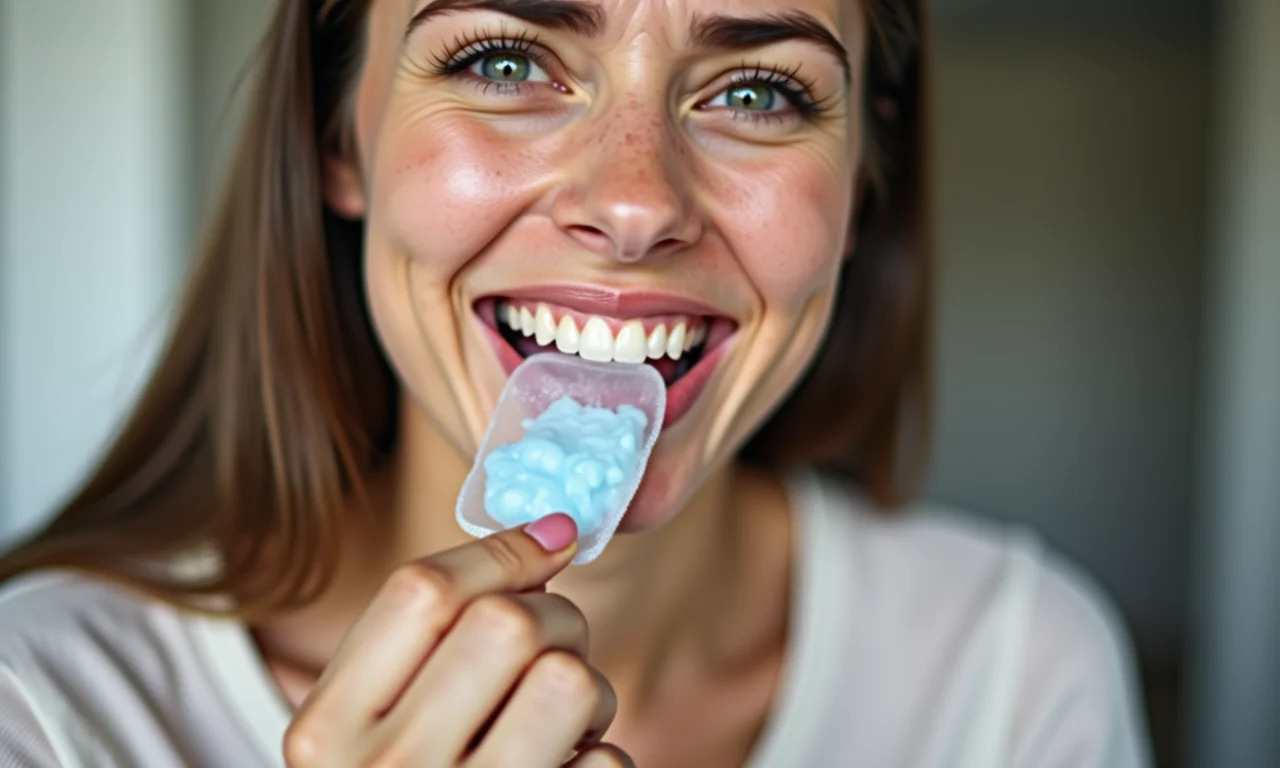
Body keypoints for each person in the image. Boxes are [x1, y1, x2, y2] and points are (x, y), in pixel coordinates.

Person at [0, 0, 1153, 765]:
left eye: (755, 93)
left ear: (861, 182)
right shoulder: (44, 710)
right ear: (336, 142)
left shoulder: (1010, 677)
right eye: (503, 61)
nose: (635, 203)